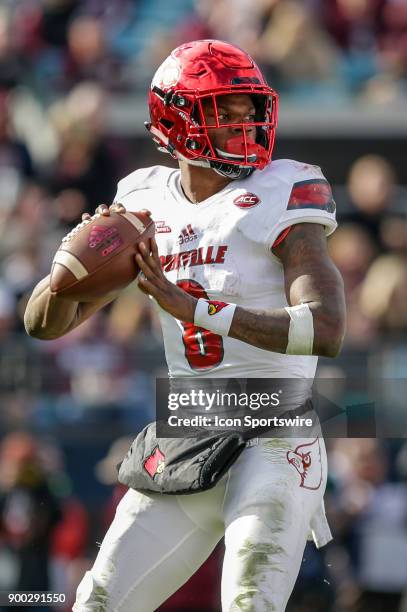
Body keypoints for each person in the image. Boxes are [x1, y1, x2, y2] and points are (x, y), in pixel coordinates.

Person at [24, 40, 346, 612]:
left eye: (250, 107)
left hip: (276, 430)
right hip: (188, 427)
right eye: (227, 109)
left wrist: (193, 308)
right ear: (177, 121)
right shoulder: (142, 199)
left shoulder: (283, 189)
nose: (245, 122)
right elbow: (43, 325)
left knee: (250, 602)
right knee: (98, 602)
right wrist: (69, 268)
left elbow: (326, 328)